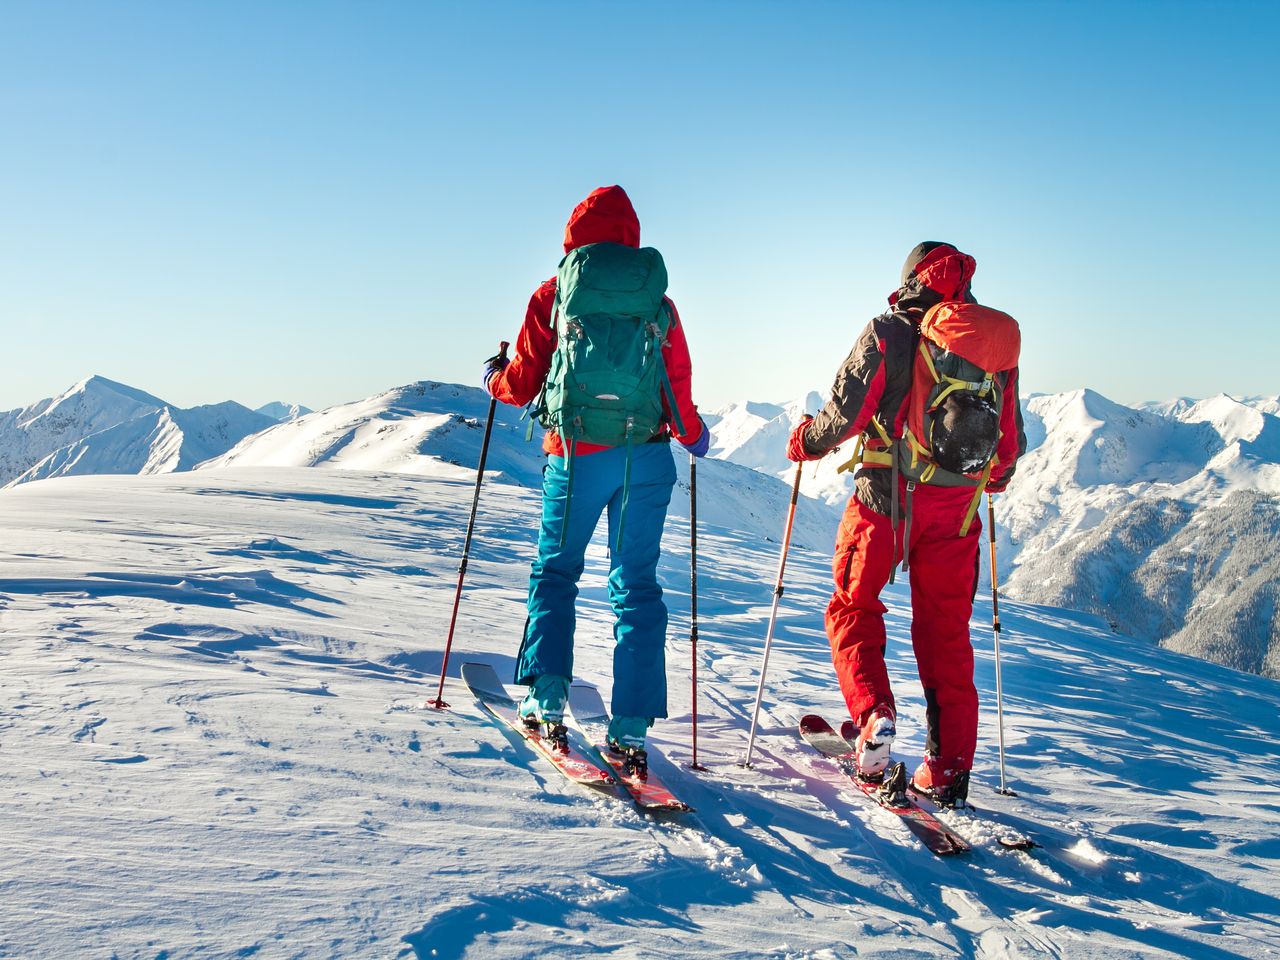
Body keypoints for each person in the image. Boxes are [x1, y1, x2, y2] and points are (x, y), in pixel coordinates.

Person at [785, 242, 1025, 806]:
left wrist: (805, 441)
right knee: (946, 631)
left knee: (853, 605)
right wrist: (989, 478)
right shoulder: (990, 345)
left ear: (910, 280)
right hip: (957, 511)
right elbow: (1007, 439)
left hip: (885, 502)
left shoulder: (890, 333)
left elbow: (844, 412)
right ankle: (948, 767)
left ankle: (874, 718)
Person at [483, 185, 708, 773]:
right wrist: (692, 434)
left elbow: (524, 382)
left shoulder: (555, 293)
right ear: (630, 235)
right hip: (647, 458)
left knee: (556, 573)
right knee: (635, 586)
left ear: (574, 236)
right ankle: (630, 728)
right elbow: (675, 384)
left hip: (578, 451)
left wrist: (494, 377)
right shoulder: (658, 303)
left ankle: (546, 700)